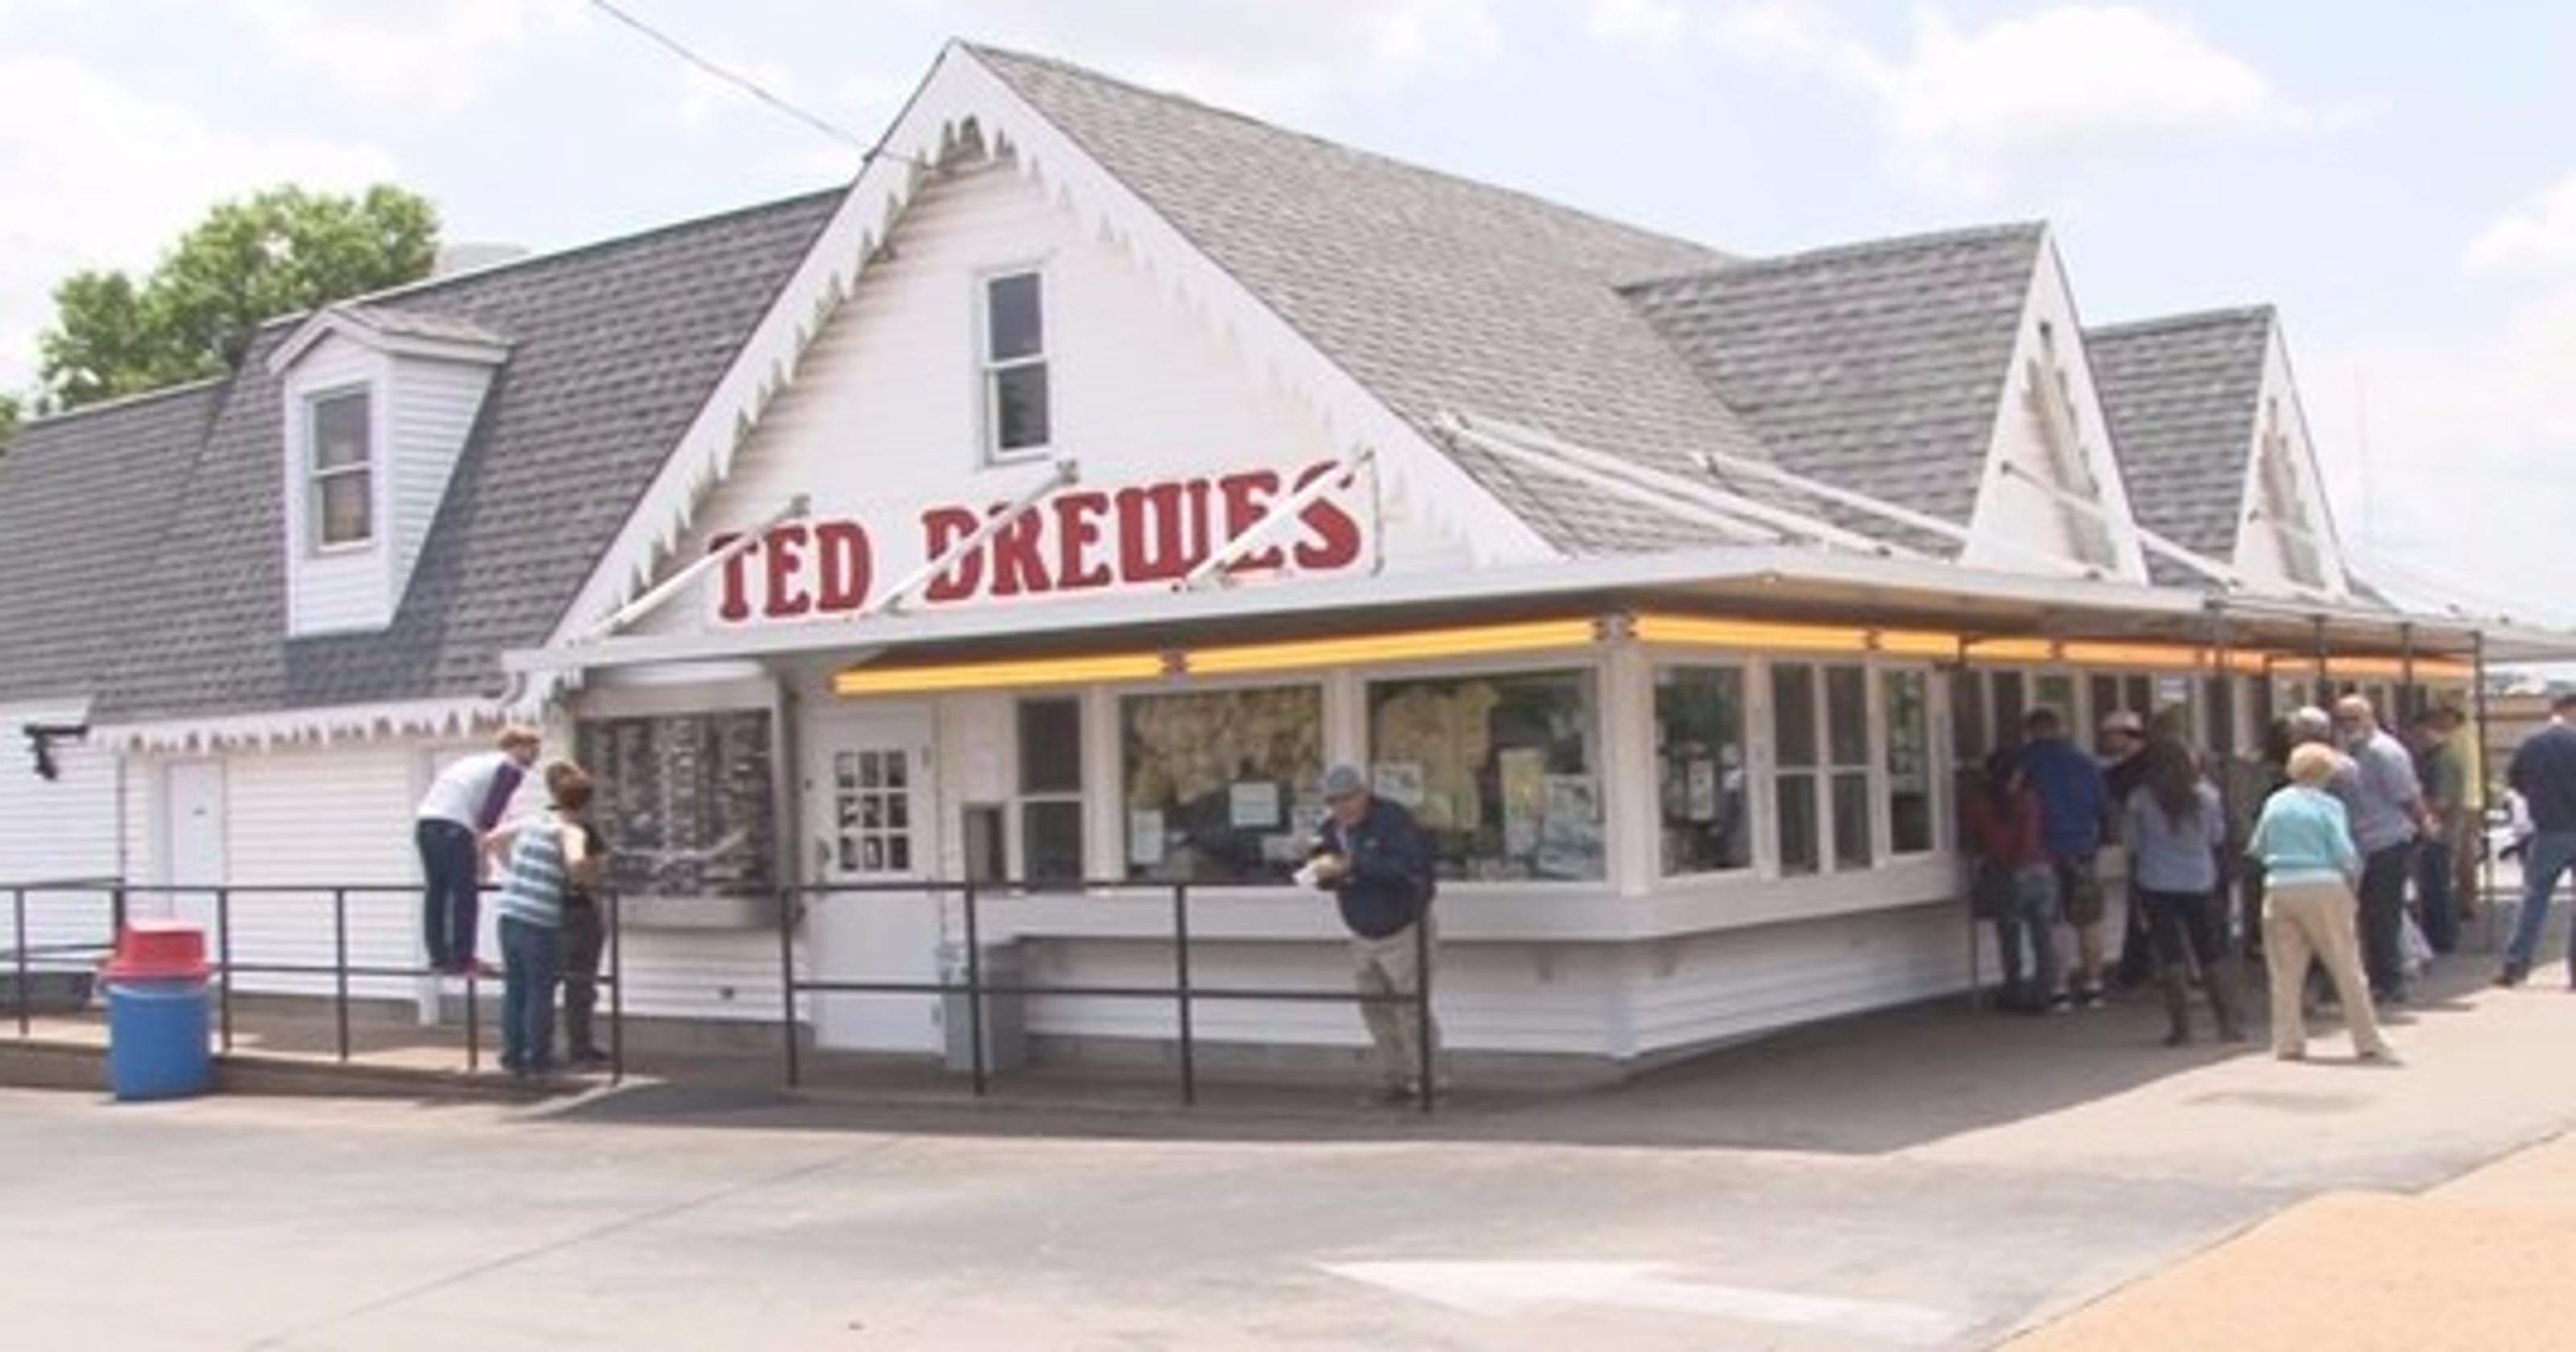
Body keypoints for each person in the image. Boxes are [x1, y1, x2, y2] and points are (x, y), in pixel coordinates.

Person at [2248, 743, 2395, 1063]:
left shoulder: (2275, 802)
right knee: (2345, 964)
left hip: (2279, 884)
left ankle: (2288, 1042)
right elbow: (2344, 852)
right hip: (2322, 883)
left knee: (2285, 971)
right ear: (2327, 773)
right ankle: (2367, 1039)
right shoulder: (2329, 806)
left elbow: (2258, 845)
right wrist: (2352, 880)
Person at [1302, 763, 1439, 1105]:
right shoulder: (1330, 831)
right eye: (1333, 802)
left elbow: (1412, 870)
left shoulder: (1393, 821)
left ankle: (1426, 1079)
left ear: (1363, 794)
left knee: (1411, 1007)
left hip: (1404, 925)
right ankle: (1393, 1077)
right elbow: (1322, 878)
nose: (1341, 809)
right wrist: (1315, 870)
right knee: (1374, 1007)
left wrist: (1358, 864)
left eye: (1347, 799)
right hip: (1362, 930)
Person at [2124, 740, 2243, 1045]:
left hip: (2156, 881)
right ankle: (2226, 1024)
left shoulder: (2141, 798)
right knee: (2210, 951)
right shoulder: (2207, 796)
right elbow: (2217, 836)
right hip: (2199, 880)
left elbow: (2134, 844)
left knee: (2170, 955)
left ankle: (2181, 1028)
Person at [485, 762, 597, 1079]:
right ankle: (538, 1058)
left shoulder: (534, 820)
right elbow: (576, 865)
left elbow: (493, 839)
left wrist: (513, 870)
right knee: (540, 990)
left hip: (509, 912)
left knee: (515, 988)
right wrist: (584, 877)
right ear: (585, 803)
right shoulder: (570, 830)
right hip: (540, 918)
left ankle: (512, 1055)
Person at [415, 727, 540, 976]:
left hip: (426, 823)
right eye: (532, 749)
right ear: (517, 747)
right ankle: (463, 959)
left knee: (437, 892)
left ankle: (438, 957)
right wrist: (482, 860)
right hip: (454, 827)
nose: (535, 756)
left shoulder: (475, 762)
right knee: (465, 894)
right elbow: (489, 816)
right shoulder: (510, 768)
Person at [2332, 696, 2433, 1004]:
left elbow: (2407, 795)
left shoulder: (2384, 752)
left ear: (2369, 717)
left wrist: (2424, 823)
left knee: (2382, 913)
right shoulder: (2354, 751)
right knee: (2367, 913)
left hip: (2387, 840)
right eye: (2343, 720)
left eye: (2353, 719)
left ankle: (2389, 981)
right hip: (2362, 841)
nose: (2348, 726)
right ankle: (2379, 976)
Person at [2020, 707, 2111, 1007]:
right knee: (2089, 921)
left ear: (2031, 730)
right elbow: (2103, 808)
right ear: (2060, 728)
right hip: (2084, 849)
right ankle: (2094, 985)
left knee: (2053, 921)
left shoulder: (2026, 764)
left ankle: (2058, 988)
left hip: (2043, 852)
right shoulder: (2085, 764)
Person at [1963, 748, 2062, 1013]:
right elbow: (2031, 836)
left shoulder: (1981, 803)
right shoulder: (2029, 799)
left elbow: (1976, 837)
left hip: (2003, 870)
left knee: (2009, 935)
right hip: (2038, 869)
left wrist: (2007, 865)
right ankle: (2043, 992)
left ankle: (2013, 989)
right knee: (2042, 936)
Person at [2496, 690, 2576, 987]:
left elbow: (2515, 780)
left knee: (2533, 898)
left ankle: (2515, 966)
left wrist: (2541, 800)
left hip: (2549, 829)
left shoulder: (2531, 742)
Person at [2098, 709, 2157, 991]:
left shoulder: (2122, 775)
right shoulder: (2156, 766)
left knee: (2142, 910)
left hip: (2142, 849)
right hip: (2162, 851)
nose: (2106, 743)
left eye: (2109, 736)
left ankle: (2138, 969)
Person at [558, 787, 612, 1070]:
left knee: (546, 981)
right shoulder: (581, 831)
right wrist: (591, 890)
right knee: (580, 982)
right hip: (579, 911)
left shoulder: (544, 828)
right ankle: (580, 1048)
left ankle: (534, 1047)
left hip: (548, 911)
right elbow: (585, 868)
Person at [2409, 706, 2469, 955]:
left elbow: (2442, 800)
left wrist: (2416, 808)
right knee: (2435, 883)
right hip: (2439, 828)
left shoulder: (2442, 759)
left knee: (2436, 883)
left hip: (2439, 830)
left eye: (2417, 735)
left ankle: (2442, 936)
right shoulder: (2438, 757)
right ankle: (2441, 933)